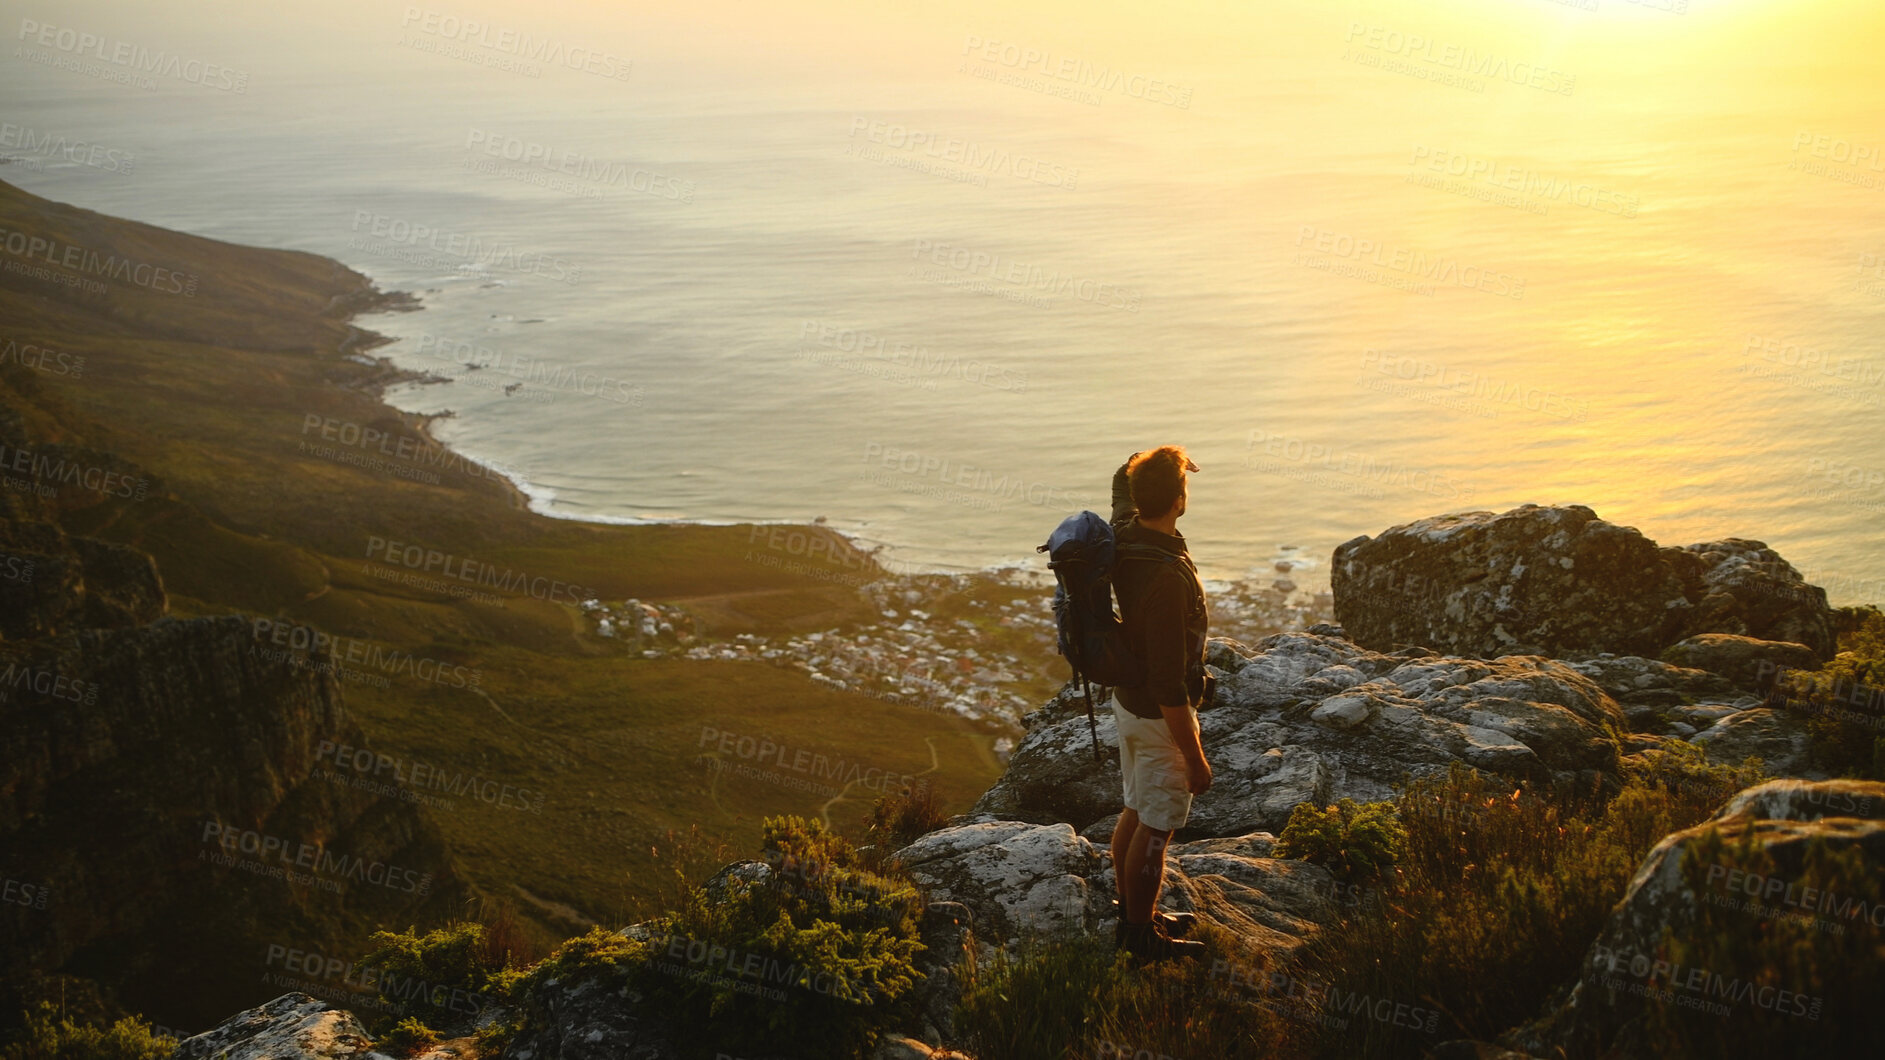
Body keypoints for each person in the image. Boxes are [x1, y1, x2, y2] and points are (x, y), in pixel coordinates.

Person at [1106, 446, 1212, 963]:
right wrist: (1194, 759)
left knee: (1135, 807)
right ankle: (1137, 936)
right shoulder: (1167, 581)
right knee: (1156, 828)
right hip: (1156, 715)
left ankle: (1134, 911)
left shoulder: (1125, 534)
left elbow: (1121, 489)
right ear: (1178, 500)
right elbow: (1170, 685)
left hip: (1127, 703)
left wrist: (1152, 462)